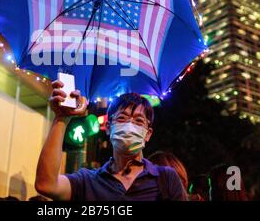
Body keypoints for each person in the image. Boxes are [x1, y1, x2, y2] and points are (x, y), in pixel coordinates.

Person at [35, 80, 188, 201]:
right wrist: (61, 118)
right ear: (108, 127)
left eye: (139, 121)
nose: (129, 125)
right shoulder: (88, 182)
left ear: (148, 134)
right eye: (122, 118)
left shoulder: (166, 179)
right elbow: (46, 185)